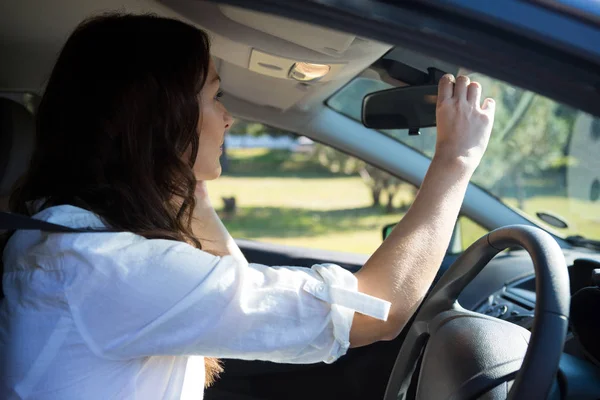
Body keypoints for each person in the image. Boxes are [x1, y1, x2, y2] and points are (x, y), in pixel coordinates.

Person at [0, 13, 495, 400]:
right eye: (215, 97)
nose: (229, 118)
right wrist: (455, 161)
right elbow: (375, 311)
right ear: (161, 123)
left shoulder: (65, 235)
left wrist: (185, 187)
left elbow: (230, 298)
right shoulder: (112, 268)